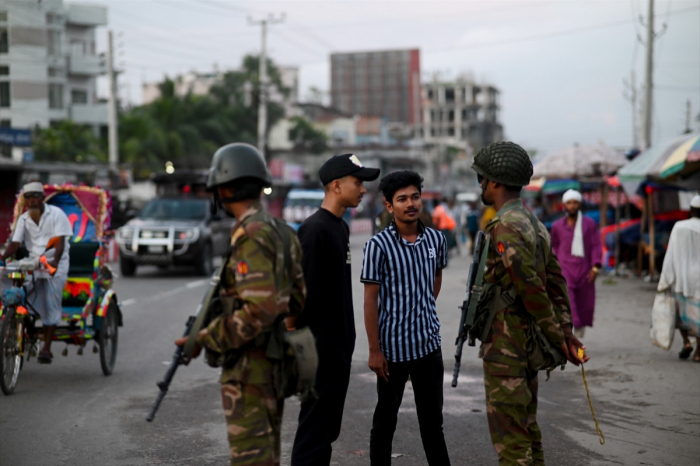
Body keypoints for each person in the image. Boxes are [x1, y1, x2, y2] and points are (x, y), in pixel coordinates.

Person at [175, 143, 306, 466]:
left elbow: (259, 310)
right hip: (273, 367)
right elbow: (297, 299)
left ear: (226, 187)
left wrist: (203, 339)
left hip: (249, 372)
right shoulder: (282, 230)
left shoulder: (250, 234)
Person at [471, 142, 588, 465]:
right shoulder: (533, 223)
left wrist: (559, 337)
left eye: (481, 179)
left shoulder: (506, 225)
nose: (480, 186)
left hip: (507, 345)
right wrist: (564, 329)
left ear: (494, 182)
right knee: (527, 429)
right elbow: (556, 281)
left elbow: (532, 289)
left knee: (511, 439)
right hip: (525, 342)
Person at [291, 154, 380, 465]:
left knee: (326, 432)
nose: (363, 189)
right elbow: (299, 297)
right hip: (319, 353)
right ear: (336, 185)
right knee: (313, 434)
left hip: (337, 350)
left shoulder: (339, 228)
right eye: (358, 182)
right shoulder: (315, 230)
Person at [361, 170, 451, 466]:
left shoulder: (436, 240)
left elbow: (435, 279)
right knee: (384, 424)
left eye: (415, 197)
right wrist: (375, 350)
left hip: (428, 347)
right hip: (391, 353)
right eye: (402, 199)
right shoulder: (378, 246)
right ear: (389, 206)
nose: (410, 204)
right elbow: (370, 300)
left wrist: (419, 306)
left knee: (432, 425)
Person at [1, 182, 73, 364]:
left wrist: (54, 263)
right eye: (29, 198)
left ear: (42, 198)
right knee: (6, 277)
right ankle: (14, 319)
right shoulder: (24, 219)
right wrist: (2, 258)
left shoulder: (57, 214)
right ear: (25, 201)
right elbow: (15, 244)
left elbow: (59, 242)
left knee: (51, 301)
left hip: (55, 263)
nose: (32, 201)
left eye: (36, 197)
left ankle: (47, 348)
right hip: (33, 262)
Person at [550, 190, 603, 339]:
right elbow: (553, 247)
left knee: (584, 304)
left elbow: (595, 246)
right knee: (568, 302)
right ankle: (572, 334)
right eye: (569, 203)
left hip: (584, 270)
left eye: (575, 202)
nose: (572, 206)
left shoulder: (589, 224)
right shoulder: (557, 226)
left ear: (579, 204)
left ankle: (578, 329)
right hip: (564, 269)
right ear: (564, 205)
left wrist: (595, 267)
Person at [657, 194, 700, 362]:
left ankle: (686, 342)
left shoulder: (679, 226)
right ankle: (698, 351)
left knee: (680, 311)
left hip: (681, 275)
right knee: (698, 313)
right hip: (698, 278)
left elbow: (671, 253)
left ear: (691, 210)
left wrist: (665, 277)